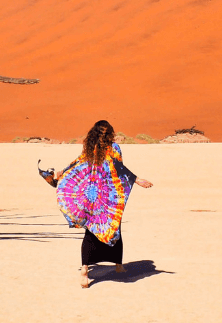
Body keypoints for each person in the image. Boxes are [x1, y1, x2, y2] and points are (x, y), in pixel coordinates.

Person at [53, 120, 153, 288]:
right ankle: (116, 266)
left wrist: (62, 172)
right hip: (108, 198)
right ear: (110, 134)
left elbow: (76, 163)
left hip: (91, 198)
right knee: (113, 227)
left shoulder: (89, 149)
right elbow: (119, 169)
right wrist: (136, 179)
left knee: (91, 231)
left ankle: (86, 270)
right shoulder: (113, 148)